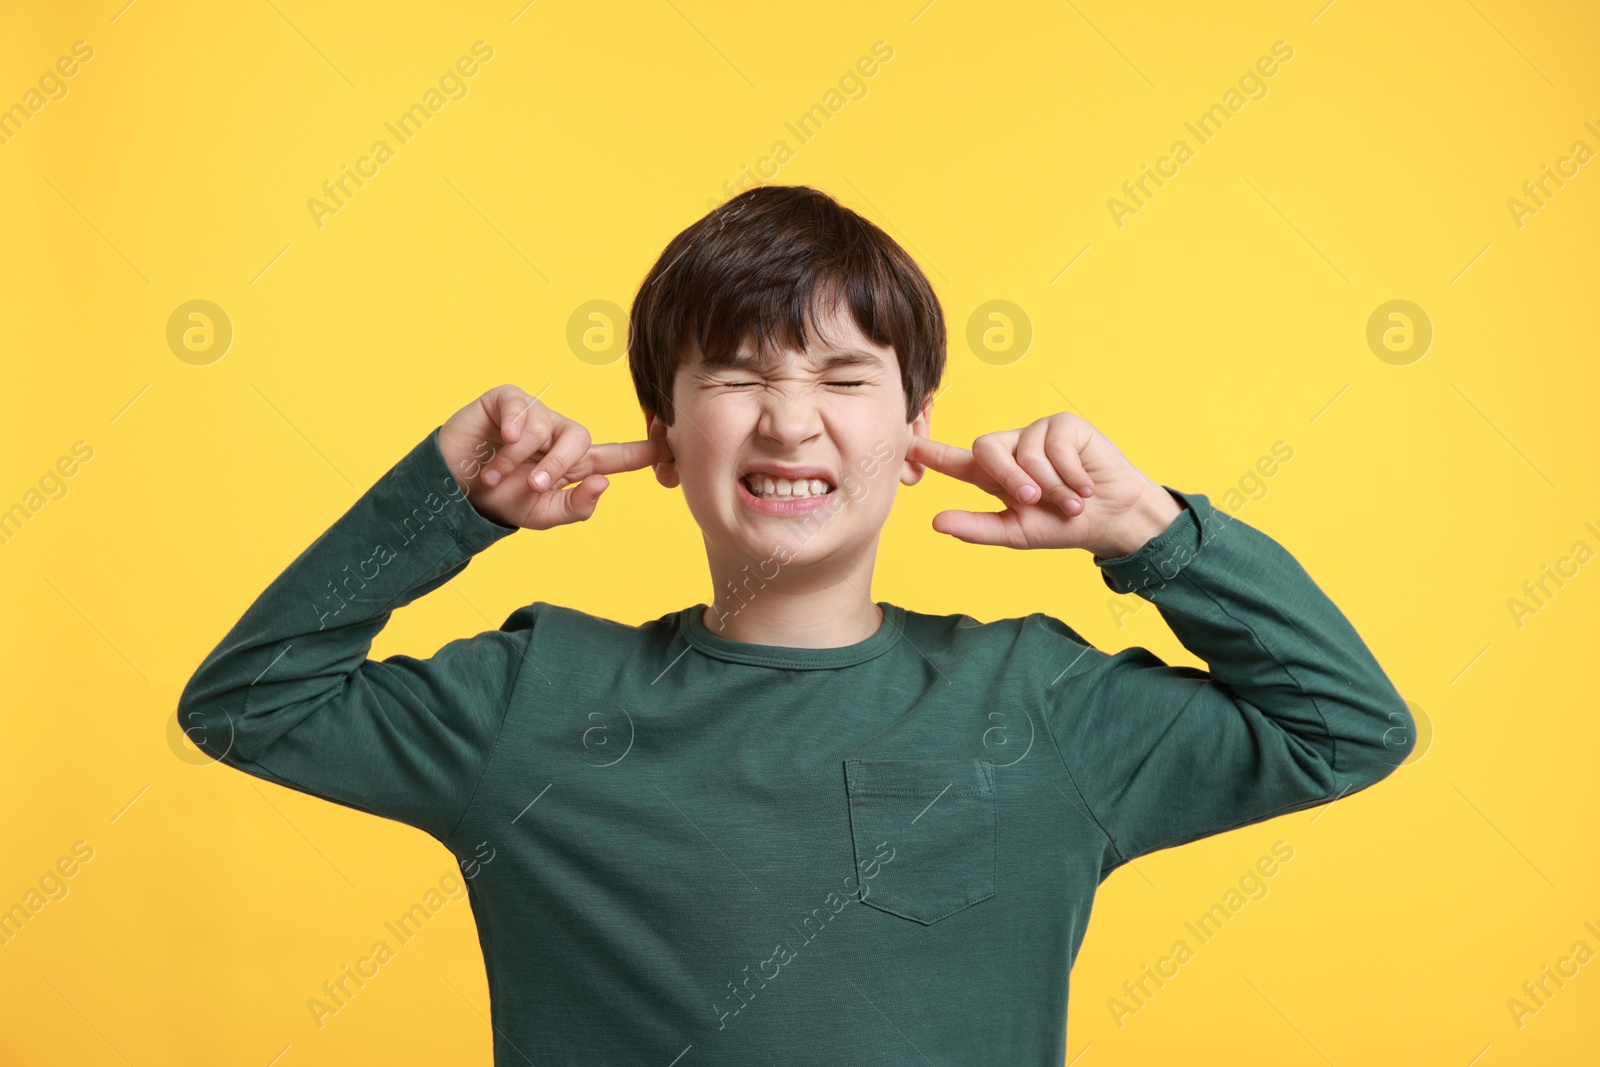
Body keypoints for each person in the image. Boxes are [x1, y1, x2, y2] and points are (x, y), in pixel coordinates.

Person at [176, 184, 1415, 1065]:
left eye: (841, 377)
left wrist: (1153, 531)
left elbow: (1344, 727)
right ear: (662, 434)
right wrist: (440, 502)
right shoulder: (536, 695)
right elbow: (247, 705)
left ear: (916, 426)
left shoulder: (1034, 701)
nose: (787, 421)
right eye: (733, 375)